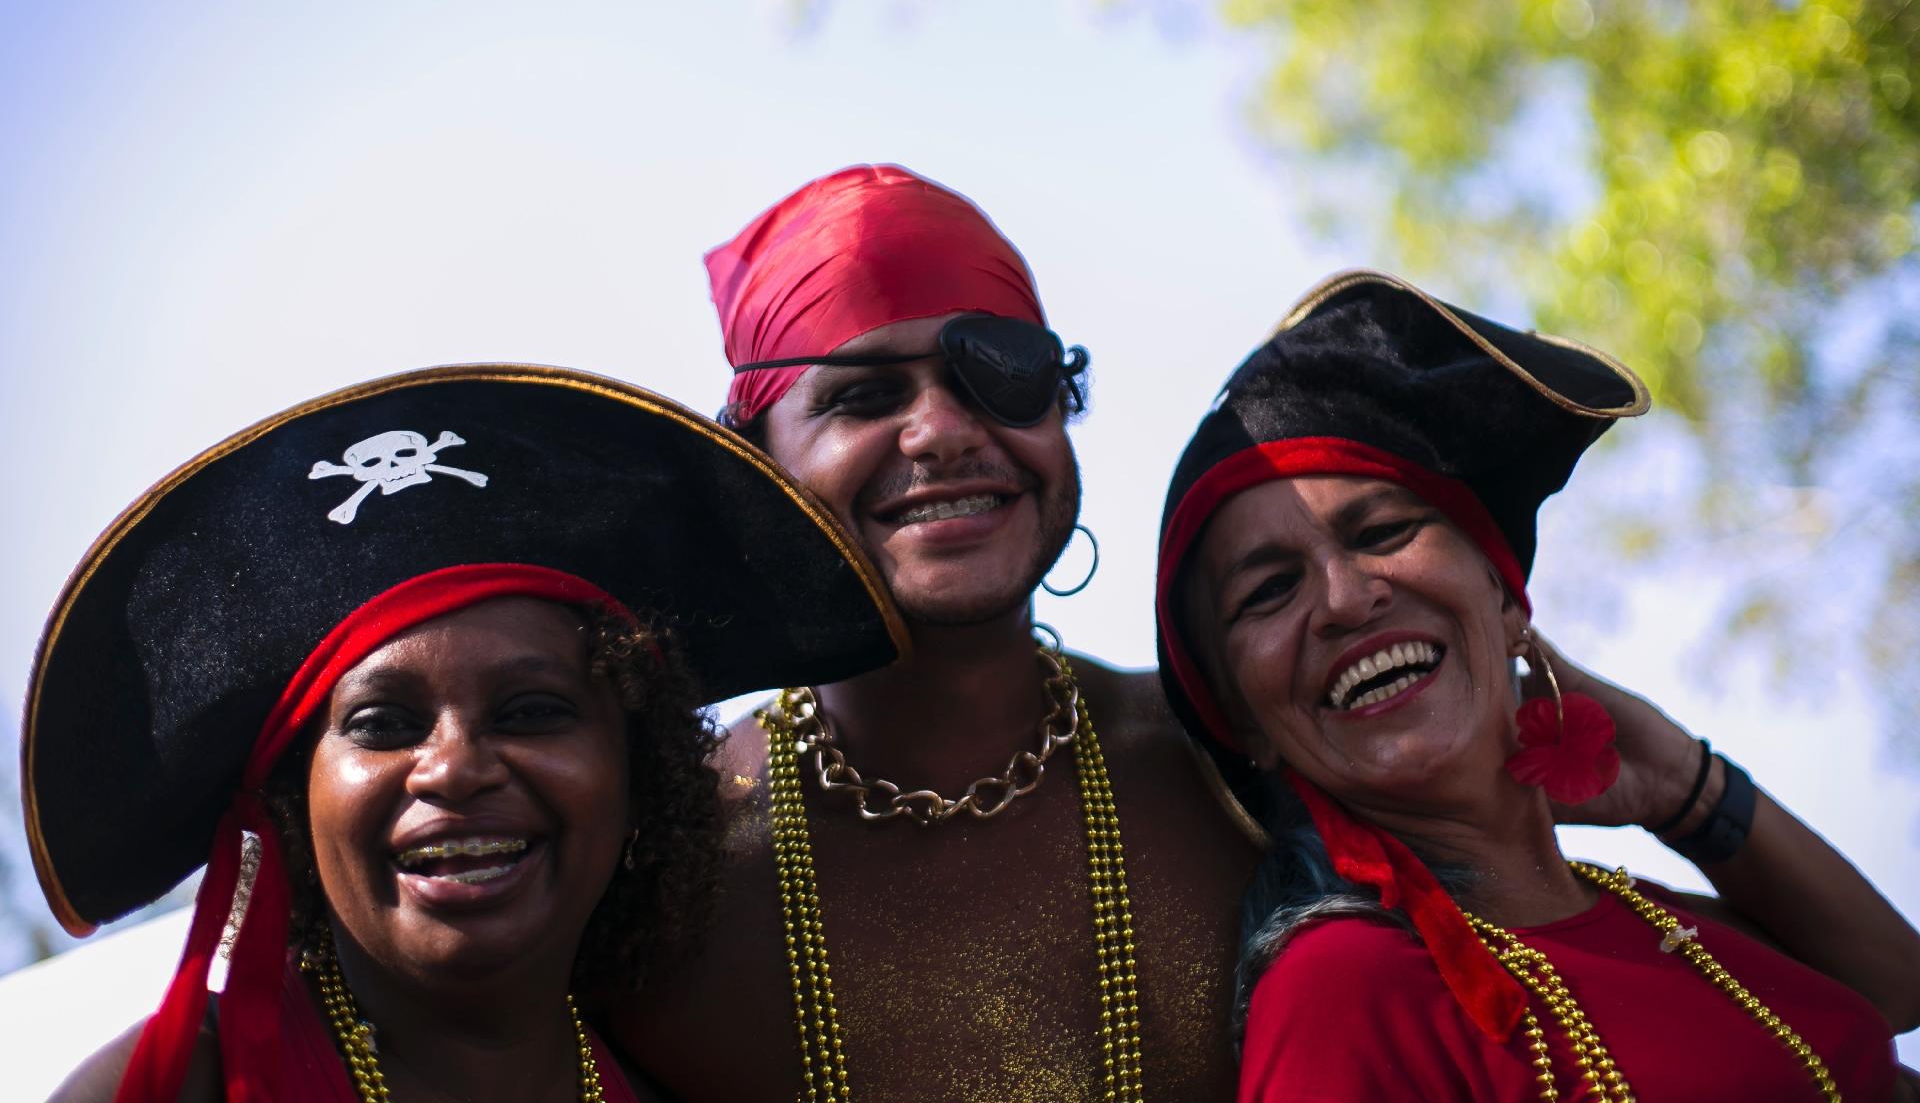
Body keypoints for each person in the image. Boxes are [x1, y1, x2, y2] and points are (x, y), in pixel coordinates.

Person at [616, 165, 1915, 1102]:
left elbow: (1828, 1001)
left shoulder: (1226, 763)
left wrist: (1684, 787)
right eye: (860, 395)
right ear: (762, 466)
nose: (942, 430)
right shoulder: (663, 861)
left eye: (993, 375)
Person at [26, 364, 904, 1102]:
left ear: (640, 774)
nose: (453, 767)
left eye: (531, 712)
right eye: (383, 724)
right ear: (293, 801)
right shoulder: (170, 1089)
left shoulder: (679, 1078)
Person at [1153, 270, 1920, 1100]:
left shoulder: (1658, 922)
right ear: (1244, 721)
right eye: (1268, 591)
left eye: (1381, 530)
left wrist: (1686, 791)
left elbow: (1897, 989)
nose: (1343, 599)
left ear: (1505, 593)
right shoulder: (1343, 988)